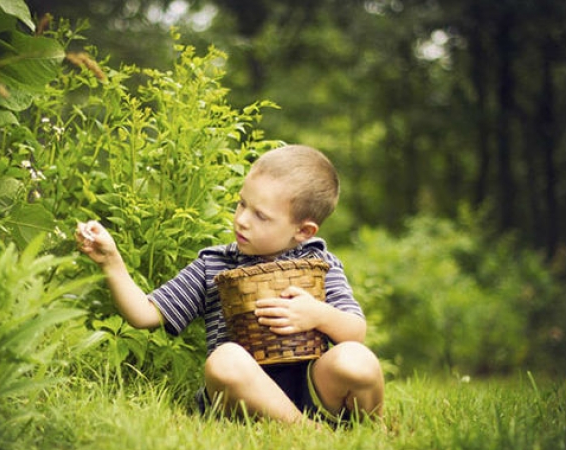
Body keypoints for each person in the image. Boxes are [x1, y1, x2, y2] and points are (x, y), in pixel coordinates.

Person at [75, 144, 384, 426]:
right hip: (242, 397)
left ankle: (371, 429)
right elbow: (144, 314)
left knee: (357, 360)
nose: (242, 220)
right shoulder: (215, 265)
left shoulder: (318, 264)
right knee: (224, 359)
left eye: (260, 216)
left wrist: (317, 314)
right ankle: (308, 432)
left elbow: (355, 332)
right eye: (241, 204)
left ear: (303, 230)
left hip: (312, 388)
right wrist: (111, 262)